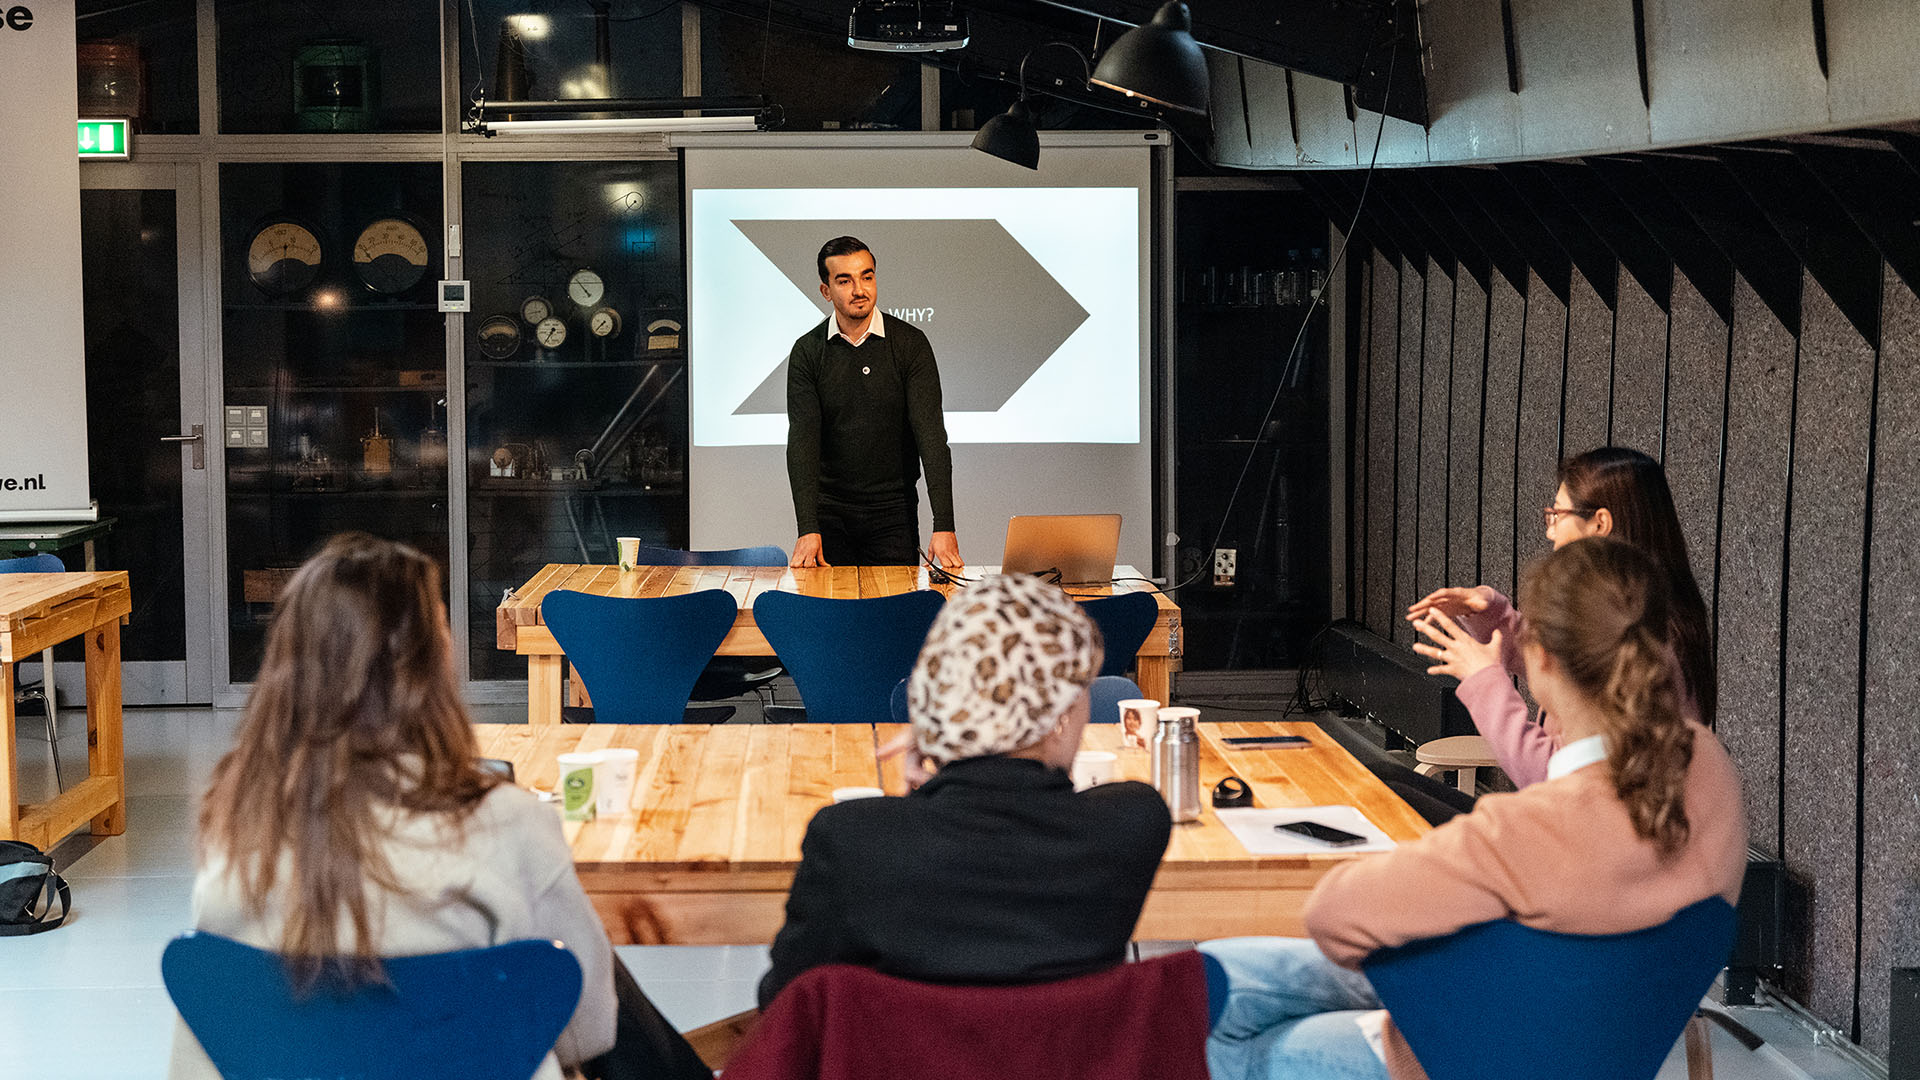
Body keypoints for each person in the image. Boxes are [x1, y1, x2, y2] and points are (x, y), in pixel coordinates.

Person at [1201, 537, 1747, 1080]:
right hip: (1580, 1036)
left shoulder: (1529, 829)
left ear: (1543, 663)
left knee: (1214, 1035)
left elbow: (1331, 917)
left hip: (1456, 1052)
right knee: (1224, 977)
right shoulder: (1710, 768)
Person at [167, 534, 709, 1080]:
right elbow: (590, 1031)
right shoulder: (511, 825)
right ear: (431, 666)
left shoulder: (236, 844)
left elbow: (199, 1062)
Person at [756, 573, 1171, 1007]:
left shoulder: (850, 839)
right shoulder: (1133, 822)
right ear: (1061, 711)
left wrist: (939, 739)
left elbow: (782, 1002)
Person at [1406, 445, 1717, 791]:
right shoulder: (1641, 610)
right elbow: (1561, 664)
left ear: (1600, 522)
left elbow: (1556, 778)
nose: (1550, 532)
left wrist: (1486, 683)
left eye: (1557, 515)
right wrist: (1493, 614)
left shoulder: (1645, 638)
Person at [785, 235, 960, 569]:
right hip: (830, 515)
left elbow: (932, 438)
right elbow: (803, 443)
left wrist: (944, 524)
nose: (859, 290)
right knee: (835, 618)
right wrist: (807, 527)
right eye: (845, 280)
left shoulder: (910, 344)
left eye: (867, 276)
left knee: (894, 617)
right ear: (826, 291)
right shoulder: (808, 352)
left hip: (894, 514)